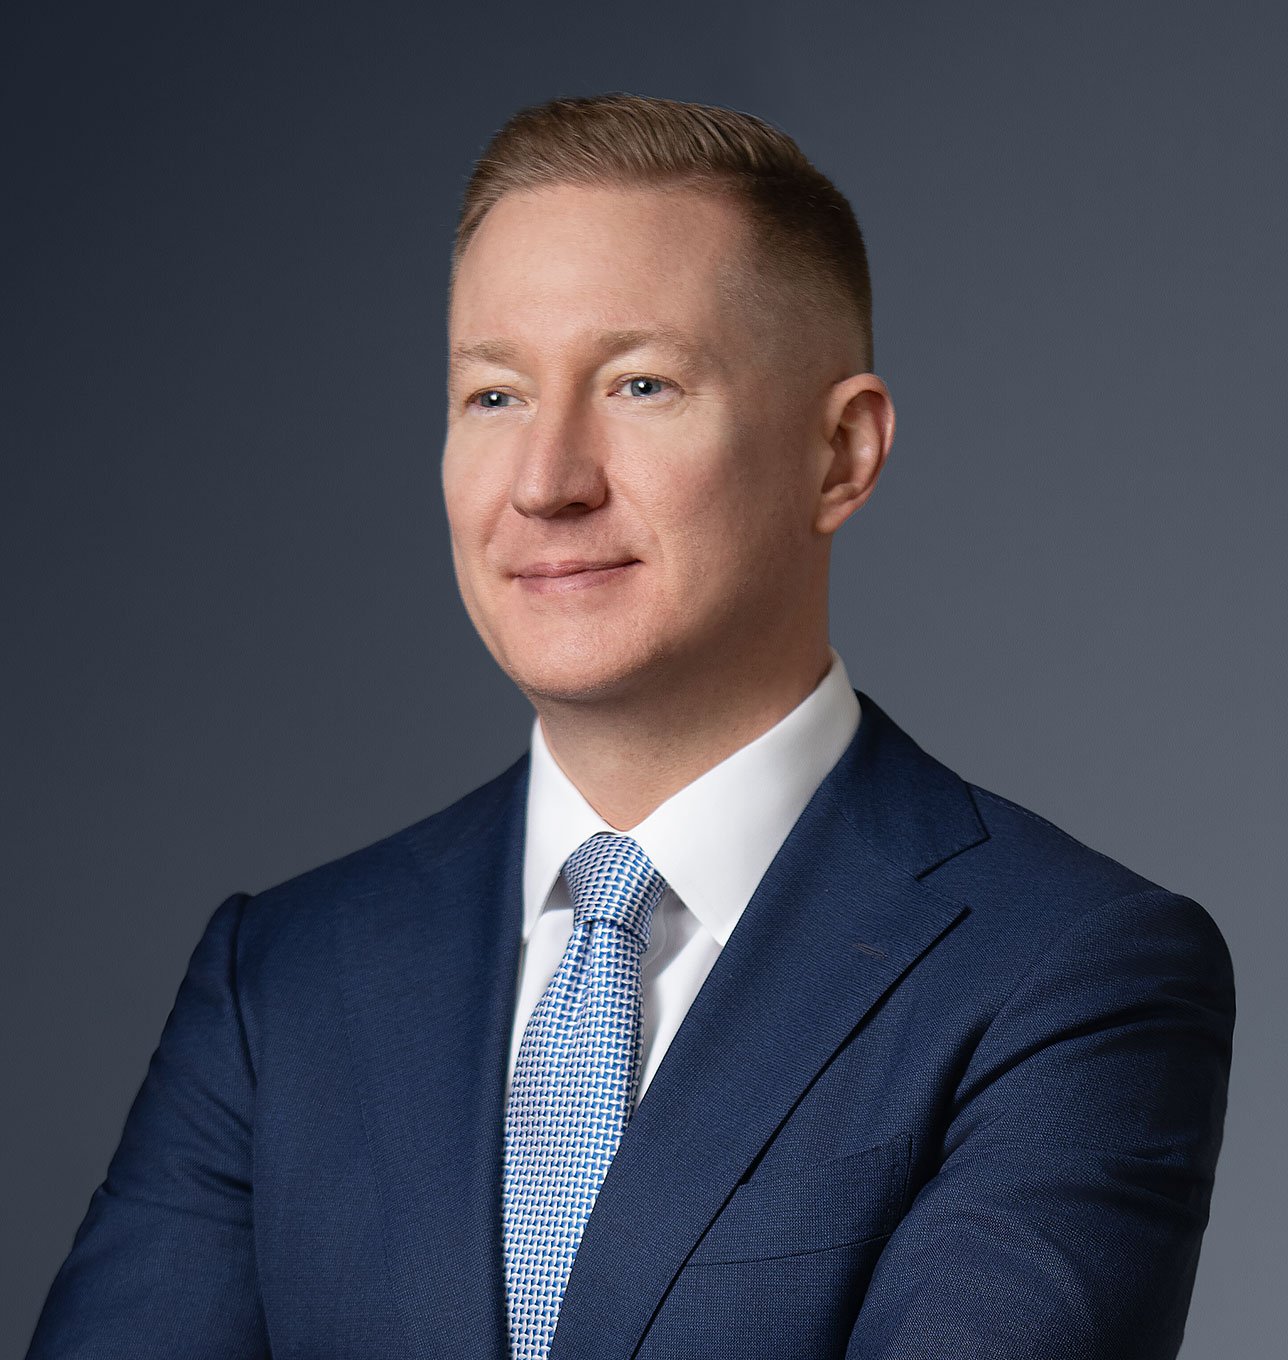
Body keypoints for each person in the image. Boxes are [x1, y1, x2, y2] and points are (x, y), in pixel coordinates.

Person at [26, 93, 1235, 1360]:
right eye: (493, 395)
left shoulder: (1065, 971)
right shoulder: (282, 976)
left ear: (840, 453)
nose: (545, 480)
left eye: (640, 384)